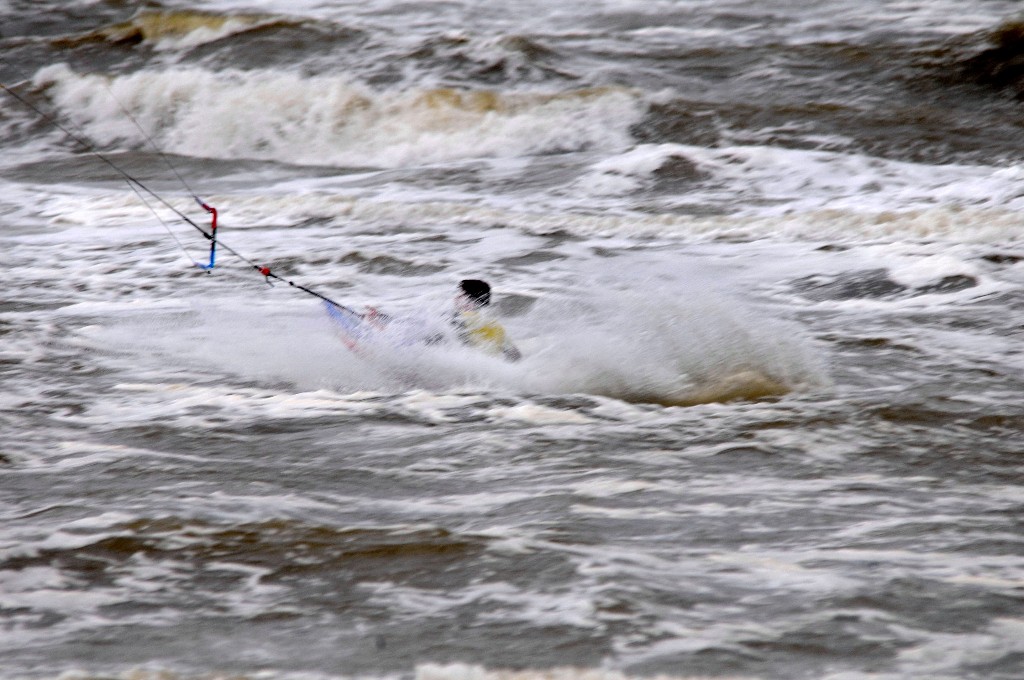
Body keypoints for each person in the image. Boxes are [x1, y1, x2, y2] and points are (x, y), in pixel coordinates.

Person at [452, 279, 522, 361]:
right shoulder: (495, 326)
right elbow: (515, 356)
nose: (457, 297)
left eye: (461, 294)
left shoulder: (458, 317)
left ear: (468, 299)